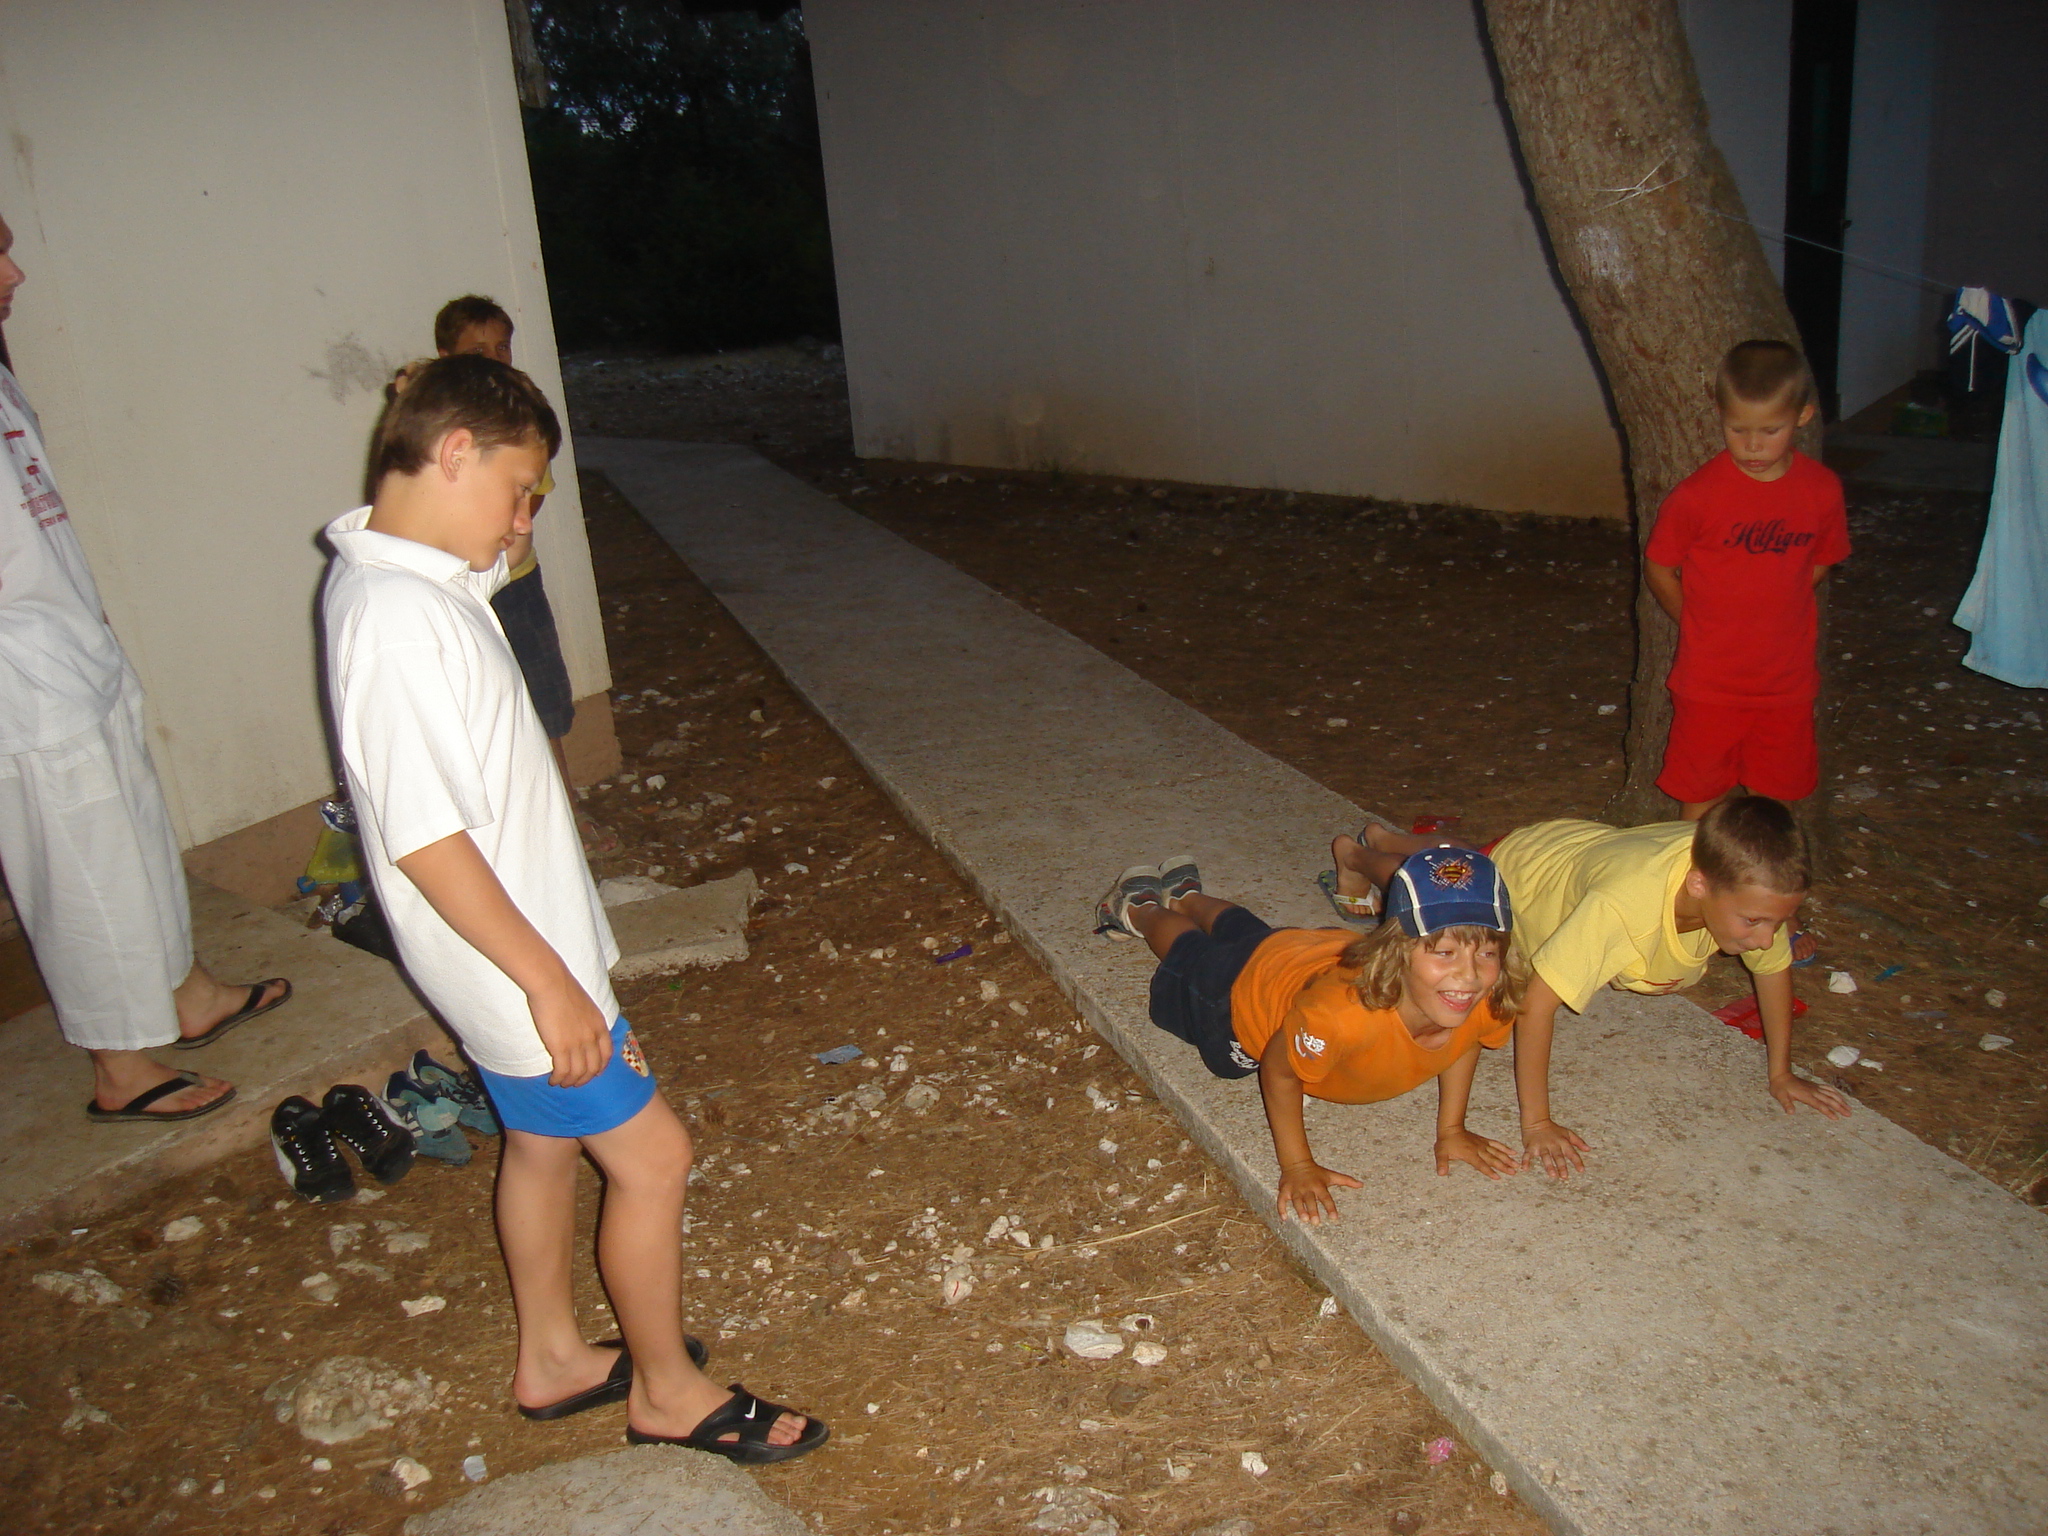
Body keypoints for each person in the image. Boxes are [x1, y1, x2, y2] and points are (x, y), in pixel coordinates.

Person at [321, 355, 825, 1460]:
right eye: (519, 490)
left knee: (543, 1146)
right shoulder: (396, 620)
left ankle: (550, 1358)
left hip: (512, 953)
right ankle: (667, 1394)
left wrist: (494, 549)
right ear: (454, 453)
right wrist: (549, 984)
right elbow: (425, 842)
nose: (522, 520)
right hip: (513, 965)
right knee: (654, 1159)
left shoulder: (415, 584)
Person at [0, 213, 290, 1124]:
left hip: (74, 645)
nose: (15, 272)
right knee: (80, 871)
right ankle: (119, 1068)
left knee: (134, 837)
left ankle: (186, 994)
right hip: (23, 682)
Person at [1333, 796, 1850, 1181]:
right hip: (1526, 876)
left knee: (1465, 858)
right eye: (1755, 922)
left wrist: (1781, 1072)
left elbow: (1772, 967)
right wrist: (1537, 1123)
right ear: (1699, 884)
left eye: (1779, 921)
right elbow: (1535, 1008)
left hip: (1579, 851)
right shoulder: (1621, 910)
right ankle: (1358, 856)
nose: (1767, 937)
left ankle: (1386, 837)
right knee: (1440, 887)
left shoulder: (1734, 882)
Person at [1096, 848, 1524, 1225]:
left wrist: (1452, 1128)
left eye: (1488, 952)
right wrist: (1298, 1165)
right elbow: (1280, 1071)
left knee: (1247, 932)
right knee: (1194, 953)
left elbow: (1464, 1042)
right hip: (1240, 993)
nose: (1469, 975)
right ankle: (1140, 907)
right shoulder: (1340, 1016)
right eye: (1445, 952)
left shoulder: (1484, 997)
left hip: (1304, 954)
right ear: (1395, 950)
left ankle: (1185, 896)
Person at [430, 295, 614, 855]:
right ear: (447, 358)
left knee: (542, 691)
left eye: (502, 347)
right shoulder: (436, 427)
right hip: (455, 587)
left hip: (514, 584)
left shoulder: (524, 419)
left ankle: (567, 808)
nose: (494, 359)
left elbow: (521, 516)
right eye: (476, 350)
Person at [1644, 340, 1849, 822]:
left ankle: (1761, 868)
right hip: (1709, 684)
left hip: (1786, 683)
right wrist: (1694, 619)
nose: (1753, 446)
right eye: (1738, 430)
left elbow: (1823, 558)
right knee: (1700, 790)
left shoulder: (1821, 490)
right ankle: (1689, 865)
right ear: (1719, 415)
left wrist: (1782, 599)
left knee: (1773, 797)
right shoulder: (1697, 497)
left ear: (1802, 417)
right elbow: (1659, 566)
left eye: (1770, 430)